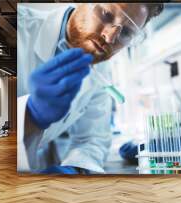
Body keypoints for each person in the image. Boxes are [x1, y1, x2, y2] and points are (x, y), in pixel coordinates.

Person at [17, 3, 164, 174]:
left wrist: (77, 169)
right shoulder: (17, 28)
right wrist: (30, 114)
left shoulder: (101, 71)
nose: (109, 38)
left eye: (125, 32)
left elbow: (92, 139)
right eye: (106, 14)